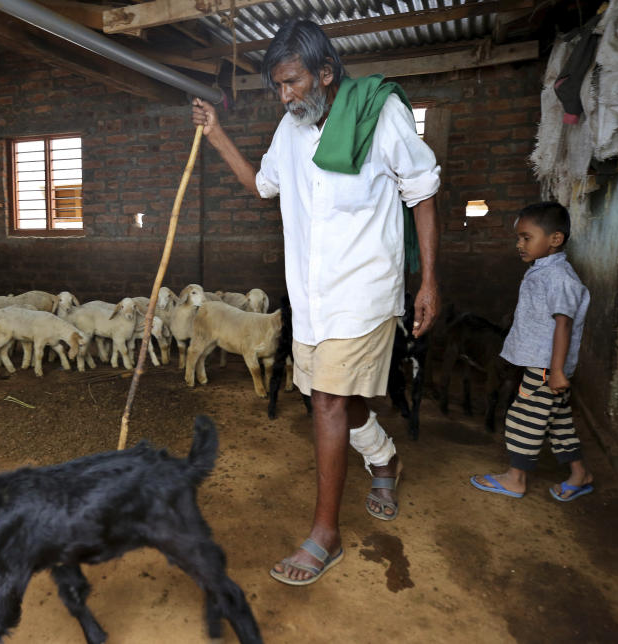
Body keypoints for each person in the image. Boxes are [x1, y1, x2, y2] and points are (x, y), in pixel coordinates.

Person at [191, 19, 440, 585]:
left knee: (327, 398)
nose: (285, 96)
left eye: (292, 82)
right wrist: (217, 135)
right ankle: (384, 457)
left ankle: (324, 535)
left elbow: (422, 191)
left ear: (325, 73)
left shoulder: (380, 116)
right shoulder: (291, 129)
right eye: (278, 86)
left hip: (365, 292)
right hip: (311, 296)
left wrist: (429, 282)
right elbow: (263, 186)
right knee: (334, 396)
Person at [470, 201, 593, 502]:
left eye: (526, 237)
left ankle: (516, 478)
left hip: (546, 368)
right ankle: (580, 474)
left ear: (555, 240)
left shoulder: (559, 279)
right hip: (548, 367)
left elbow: (563, 325)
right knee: (558, 423)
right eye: (519, 238)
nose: (519, 244)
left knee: (522, 419)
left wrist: (557, 371)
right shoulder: (544, 271)